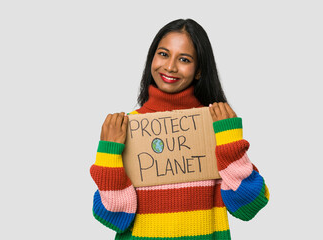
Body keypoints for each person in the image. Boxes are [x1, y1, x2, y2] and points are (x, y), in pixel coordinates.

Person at [90, 18, 269, 240]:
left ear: (199, 71)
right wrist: (108, 154)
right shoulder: (126, 127)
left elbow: (249, 206)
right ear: (151, 58)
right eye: (163, 54)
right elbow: (113, 217)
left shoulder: (216, 124)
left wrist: (230, 143)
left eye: (184, 59)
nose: (170, 66)